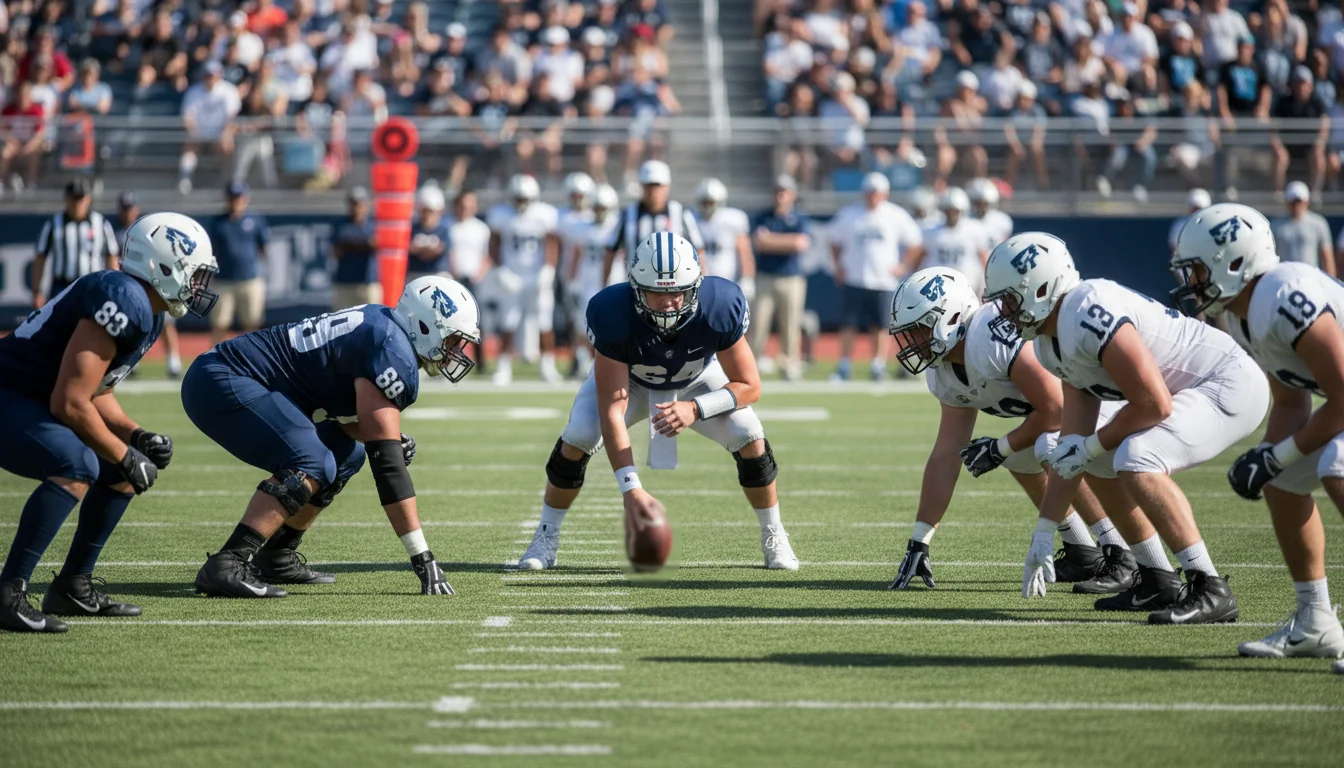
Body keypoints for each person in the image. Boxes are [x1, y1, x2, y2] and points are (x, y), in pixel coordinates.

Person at [984, 232, 1268, 622]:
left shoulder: (1086, 308)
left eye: (1010, 299)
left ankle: (1210, 586)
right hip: (1188, 391)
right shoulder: (1050, 343)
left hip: (1226, 382)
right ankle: (1157, 577)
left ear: (1041, 289)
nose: (1004, 311)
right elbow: (1072, 445)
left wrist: (1091, 447)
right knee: (1078, 452)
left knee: (1137, 456)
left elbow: (1154, 403)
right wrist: (1045, 529)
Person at [515, 232, 799, 572]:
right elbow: (612, 410)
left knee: (750, 435)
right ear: (636, 289)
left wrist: (696, 409)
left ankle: (774, 533)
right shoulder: (612, 312)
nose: (669, 303)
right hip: (632, 382)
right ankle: (546, 536)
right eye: (657, 293)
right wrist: (630, 488)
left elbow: (750, 386)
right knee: (578, 435)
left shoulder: (720, 304)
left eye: (678, 292)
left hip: (697, 381)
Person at [183, 276, 479, 599]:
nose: (455, 352)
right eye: (452, 341)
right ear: (424, 326)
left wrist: (383, 438)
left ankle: (278, 554)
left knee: (346, 453)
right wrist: (422, 557)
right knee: (312, 460)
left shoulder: (385, 328)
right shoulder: (392, 350)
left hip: (239, 379)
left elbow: (346, 423)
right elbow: (389, 469)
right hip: (224, 379)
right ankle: (229, 562)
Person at [0, 213, 218, 632]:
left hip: (30, 398)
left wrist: (135, 435)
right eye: (195, 274)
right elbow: (70, 402)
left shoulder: (147, 310)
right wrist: (124, 452)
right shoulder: (124, 298)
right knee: (77, 463)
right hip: (9, 395)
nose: (198, 286)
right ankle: (8, 592)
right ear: (164, 266)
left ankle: (72, 586)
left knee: (119, 468)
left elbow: (97, 390)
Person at [1171, 202, 1344, 672]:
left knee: (1336, 467)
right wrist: (1271, 458)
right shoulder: (1243, 314)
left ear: (1233, 262)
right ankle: (1315, 622)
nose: (1192, 283)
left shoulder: (1285, 295)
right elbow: (1291, 402)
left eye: (1199, 271)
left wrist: (1275, 455)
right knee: (1283, 482)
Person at [887, 268, 1136, 591]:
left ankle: (1120, 552)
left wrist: (1000, 447)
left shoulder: (990, 335)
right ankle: (1080, 551)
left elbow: (1058, 409)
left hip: (1105, 402)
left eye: (918, 330)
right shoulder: (944, 370)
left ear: (950, 318)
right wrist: (920, 539)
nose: (913, 342)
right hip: (1071, 414)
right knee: (1020, 454)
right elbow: (946, 455)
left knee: (1047, 445)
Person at [829, 173, 923, 381]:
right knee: (848, 325)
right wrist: (838, 267)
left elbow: (915, 242)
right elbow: (833, 240)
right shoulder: (850, 214)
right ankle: (844, 365)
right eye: (870, 192)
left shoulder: (895, 215)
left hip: (883, 280)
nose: (873, 197)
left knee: (880, 326)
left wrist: (903, 266)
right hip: (855, 277)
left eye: (877, 192)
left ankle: (878, 364)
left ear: (884, 194)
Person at [487, 174, 561, 385]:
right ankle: (503, 366)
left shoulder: (544, 215)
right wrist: (500, 269)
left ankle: (548, 366)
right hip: (512, 276)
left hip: (537, 276)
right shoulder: (501, 215)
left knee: (545, 321)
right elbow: (494, 243)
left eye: (525, 198)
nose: (521, 203)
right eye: (518, 198)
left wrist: (548, 268)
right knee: (508, 321)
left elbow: (552, 242)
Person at [749, 175, 810, 381]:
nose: (780, 196)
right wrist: (786, 242)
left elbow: (800, 243)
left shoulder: (799, 218)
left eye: (784, 192)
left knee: (791, 323)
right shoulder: (763, 217)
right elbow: (759, 243)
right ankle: (753, 363)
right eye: (777, 192)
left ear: (792, 195)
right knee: (759, 322)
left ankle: (790, 364)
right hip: (765, 276)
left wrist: (772, 241)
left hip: (791, 278)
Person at [603, 160, 702, 284]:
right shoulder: (628, 214)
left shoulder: (681, 214)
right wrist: (604, 285)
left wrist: (702, 283)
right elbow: (610, 250)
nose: (653, 191)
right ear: (642, 186)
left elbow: (698, 251)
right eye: (649, 186)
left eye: (657, 186)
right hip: (635, 288)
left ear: (667, 187)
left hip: (674, 288)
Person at [32, 178, 119, 309]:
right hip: (62, 286)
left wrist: (113, 288)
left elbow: (111, 257)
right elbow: (40, 257)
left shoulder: (101, 223)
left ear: (88, 199)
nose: (77, 204)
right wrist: (37, 291)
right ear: (66, 199)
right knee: (61, 326)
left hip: (93, 286)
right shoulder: (53, 224)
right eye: (74, 199)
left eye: (81, 199)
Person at [567, 184, 622, 380]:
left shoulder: (617, 227)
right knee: (583, 326)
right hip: (587, 283)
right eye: (597, 207)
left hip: (613, 283)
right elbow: (576, 255)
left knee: (611, 327)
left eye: (603, 208)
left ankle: (605, 364)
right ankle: (583, 362)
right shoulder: (582, 227)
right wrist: (572, 279)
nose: (599, 211)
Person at [208, 183, 270, 346]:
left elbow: (263, 247)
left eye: (239, 197)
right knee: (220, 323)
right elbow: (211, 250)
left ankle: (254, 359)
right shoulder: (218, 222)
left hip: (249, 278)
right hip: (224, 279)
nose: (236, 201)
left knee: (252, 323)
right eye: (232, 198)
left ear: (245, 199)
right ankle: (213, 357)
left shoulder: (255, 220)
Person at [447, 190, 492, 375]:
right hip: (453, 280)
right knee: (450, 323)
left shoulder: (481, 228)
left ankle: (481, 362)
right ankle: (449, 360)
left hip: (474, 279)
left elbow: (486, 255)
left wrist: (480, 273)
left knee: (477, 322)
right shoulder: (450, 226)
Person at [918, 188, 988, 297]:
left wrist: (985, 283)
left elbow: (983, 257)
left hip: (966, 283)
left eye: (955, 211)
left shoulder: (974, 229)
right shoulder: (930, 230)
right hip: (938, 285)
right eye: (948, 211)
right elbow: (922, 258)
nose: (951, 215)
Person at [695, 178, 756, 295]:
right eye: (704, 202)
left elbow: (744, 250)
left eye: (710, 202)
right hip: (701, 283)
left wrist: (747, 277)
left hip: (728, 282)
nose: (707, 207)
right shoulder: (692, 219)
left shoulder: (732, 219)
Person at [330, 186, 379, 309]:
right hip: (345, 282)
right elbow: (337, 251)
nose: (357, 208)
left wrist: (352, 246)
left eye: (360, 204)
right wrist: (362, 245)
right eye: (353, 204)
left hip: (367, 282)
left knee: (372, 322)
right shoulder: (341, 226)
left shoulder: (373, 225)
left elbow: (375, 245)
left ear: (366, 204)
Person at [1271, 181, 1335, 275]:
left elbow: (1327, 256)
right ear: (1287, 202)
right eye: (1293, 202)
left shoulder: (1319, 223)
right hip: (1284, 277)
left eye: (1299, 202)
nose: (1296, 206)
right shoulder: (1275, 226)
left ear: (1306, 202)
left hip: (1310, 278)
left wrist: (1331, 282)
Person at [407, 184, 451, 282]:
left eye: (430, 212)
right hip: (416, 275)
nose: (427, 215)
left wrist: (420, 249)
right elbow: (409, 248)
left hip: (438, 275)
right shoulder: (413, 229)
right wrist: (427, 249)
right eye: (424, 211)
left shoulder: (444, 229)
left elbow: (438, 250)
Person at [967, 178, 1013, 251]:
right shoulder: (965, 221)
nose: (981, 208)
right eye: (978, 204)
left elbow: (1005, 247)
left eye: (985, 204)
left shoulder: (1002, 220)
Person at [1168, 188, 1211, 255]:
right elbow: (1174, 249)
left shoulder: (1212, 225)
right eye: (1194, 208)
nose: (1196, 212)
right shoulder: (1180, 225)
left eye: (1199, 208)